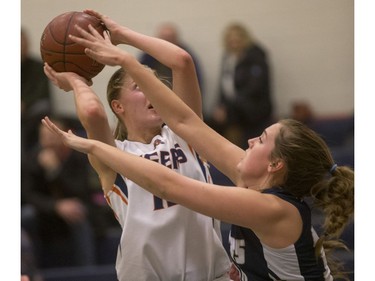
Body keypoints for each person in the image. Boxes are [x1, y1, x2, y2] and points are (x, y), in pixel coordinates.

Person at [43, 18, 354, 280]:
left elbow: (166, 184)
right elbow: (182, 114)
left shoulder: (272, 207)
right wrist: (118, 38)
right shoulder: (251, 179)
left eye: (260, 140)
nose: (248, 141)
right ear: (118, 106)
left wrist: (88, 143)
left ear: (275, 165)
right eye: (141, 86)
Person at [42, 9, 230, 281]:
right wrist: (75, 80)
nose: (152, 89)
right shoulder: (116, 154)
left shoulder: (185, 134)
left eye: (154, 83)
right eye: (139, 86)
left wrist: (121, 35)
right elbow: (94, 113)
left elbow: (182, 61)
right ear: (118, 106)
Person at [21, 117, 96, 268]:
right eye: (43, 136)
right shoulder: (33, 159)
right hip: (46, 211)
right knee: (25, 216)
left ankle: (87, 271)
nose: (47, 140)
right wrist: (55, 206)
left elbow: (81, 191)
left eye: (51, 135)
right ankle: (34, 271)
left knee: (77, 212)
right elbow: (29, 195)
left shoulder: (78, 156)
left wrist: (56, 171)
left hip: (77, 206)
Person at [207, 23, 273, 149]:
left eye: (237, 40)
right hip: (235, 111)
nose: (234, 43)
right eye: (231, 40)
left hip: (254, 111)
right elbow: (223, 86)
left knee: (253, 146)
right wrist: (220, 106)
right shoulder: (227, 57)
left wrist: (230, 107)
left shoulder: (256, 56)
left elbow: (255, 87)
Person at [138, 22, 204, 94]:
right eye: (164, 39)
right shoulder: (148, 55)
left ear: (176, 40)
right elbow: (138, 76)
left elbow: (196, 82)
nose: (166, 42)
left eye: (170, 38)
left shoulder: (185, 56)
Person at [21, 27, 53, 155]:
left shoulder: (38, 66)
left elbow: (42, 92)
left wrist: (25, 103)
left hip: (31, 111)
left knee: (42, 107)